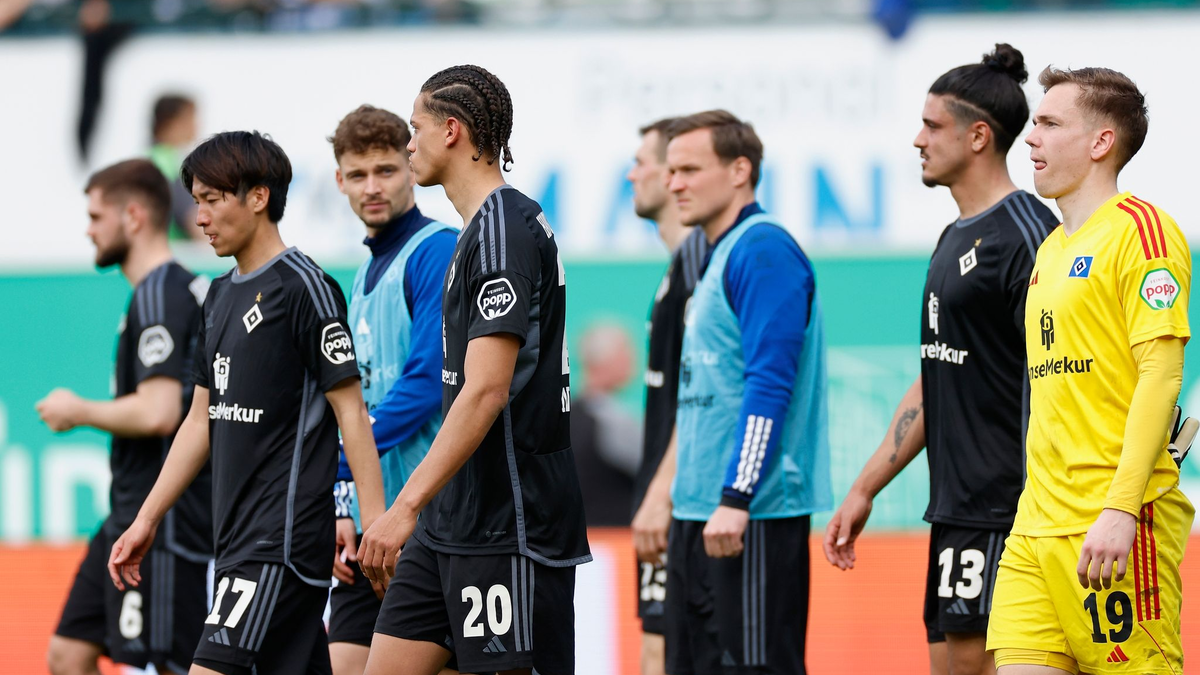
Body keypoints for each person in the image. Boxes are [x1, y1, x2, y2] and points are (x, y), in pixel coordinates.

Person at [107, 130, 386, 675]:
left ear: (258, 197)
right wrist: (146, 520)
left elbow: (351, 413)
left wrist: (373, 524)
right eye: (196, 202)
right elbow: (199, 423)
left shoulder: (305, 288)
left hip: (278, 544)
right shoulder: (218, 294)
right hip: (234, 544)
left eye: (212, 200)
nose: (200, 218)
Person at [822, 44, 1058, 675]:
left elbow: (1062, 377)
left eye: (932, 126)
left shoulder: (1028, 235)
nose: (917, 140)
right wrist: (864, 488)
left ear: (978, 136)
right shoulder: (954, 237)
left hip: (1010, 511)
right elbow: (937, 376)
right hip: (955, 510)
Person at [357, 64, 591, 675]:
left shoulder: (501, 230)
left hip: (509, 520)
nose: (408, 144)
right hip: (451, 517)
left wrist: (403, 506)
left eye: (415, 128)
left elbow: (486, 391)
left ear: (451, 131)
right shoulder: (476, 231)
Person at [987, 66, 1192, 675]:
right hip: (1034, 528)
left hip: (1114, 522)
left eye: (1050, 124)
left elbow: (1161, 376)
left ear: (1101, 142)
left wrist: (1121, 509)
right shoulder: (1049, 250)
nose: (1031, 138)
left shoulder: (1143, 232)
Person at [661, 109, 830, 675]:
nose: (674, 183)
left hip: (749, 516)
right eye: (670, 170)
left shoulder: (763, 250)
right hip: (699, 514)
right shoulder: (718, 253)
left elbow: (770, 382)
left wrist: (736, 496)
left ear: (739, 171)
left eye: (689, 169)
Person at [38, 158, 213, 675]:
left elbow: (160, 412)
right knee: (68, 653)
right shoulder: (165, 290)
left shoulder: (159, 292)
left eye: (96, 217)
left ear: (133, 216)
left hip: (162, 524)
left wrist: (77, 411)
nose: (88, 230)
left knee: (159, 664)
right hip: (128, 512)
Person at [325, 104, 456, 675]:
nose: (372, 187)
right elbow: (353, 405)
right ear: (339, 180)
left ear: (411, 167)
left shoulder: (436, 250)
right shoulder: (362, 275)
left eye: (385, 170)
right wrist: (344, 500)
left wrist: (339, 460)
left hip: (429, 521)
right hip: (372, 526)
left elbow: (426, 384)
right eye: (358, 175)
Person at [627, 116, 709, 675]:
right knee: (659, 646)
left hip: (683, 501)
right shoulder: (679, 266)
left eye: (641, 163)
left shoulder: (700, 265)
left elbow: (703, 392)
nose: (631, 175)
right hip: (668, 497)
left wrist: (663, 492)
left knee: (669, 649)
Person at [570, 322, 640, 527]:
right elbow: (649, 468)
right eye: (624, 353)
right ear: (605, 361)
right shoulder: (612, 420)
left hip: (578, 534)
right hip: (618, 535)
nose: (632, 361)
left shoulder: (563, 416)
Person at [148, 93, 204, 242]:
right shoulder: (170, 164)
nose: (196, 126)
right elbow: (193, 218)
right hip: (176, 250)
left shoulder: (142, 160)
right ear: (171, 123)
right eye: (191, 118)